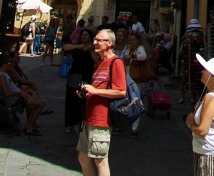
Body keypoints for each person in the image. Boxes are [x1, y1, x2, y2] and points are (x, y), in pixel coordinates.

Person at [77, 28, 126, 176]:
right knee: (83, 157)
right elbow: (96, 88)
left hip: (101, 119)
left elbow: (121, 91)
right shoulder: (99, 63)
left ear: (110, 43)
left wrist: (96, 91)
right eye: (95, 40)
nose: (95, 42)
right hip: (89, 118)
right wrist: (86, 92)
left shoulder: (116, 62)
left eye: (99, 40)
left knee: (100, 160)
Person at [0, 55, 44, 136]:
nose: (10, 65)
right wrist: (19, 93)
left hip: (15, 97)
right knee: (40, 104)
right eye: (9, 63)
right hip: (13, 100)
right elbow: (6, 93)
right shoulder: (1, 76)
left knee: (34, 99)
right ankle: (29, 127)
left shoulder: (3, 74)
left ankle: (29, 125)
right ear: (4, 64)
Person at [62, 27, 97, 133]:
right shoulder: (76, 46)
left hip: (86, 76)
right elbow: (65, 47)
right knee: (71, 100)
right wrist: (79, 46)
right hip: (74, 76)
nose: (84, 37)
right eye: (82, 35)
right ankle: (69, 124)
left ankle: (79, 123)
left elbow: (96, 60)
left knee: (83, 101)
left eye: (86, 35)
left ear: (90, 37)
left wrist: (91, 50)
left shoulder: (94, 48)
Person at [119, 30, 152, 136]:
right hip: (126, 78)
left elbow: (143, 57)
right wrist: (125, 58)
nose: (131, 42)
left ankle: (134, 127)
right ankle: (126, 123)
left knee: (135, 101)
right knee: (125, 102)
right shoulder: (127, 48)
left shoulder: (140, 49)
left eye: (133, 40)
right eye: (130, 40)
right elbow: (121, 58)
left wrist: (132, 58)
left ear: (137, 40)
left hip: (136, 80)